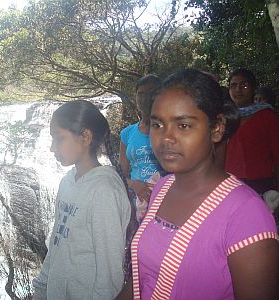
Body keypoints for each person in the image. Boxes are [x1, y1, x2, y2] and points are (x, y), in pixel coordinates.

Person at [116, 69, 279, 300]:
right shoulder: (162, 188)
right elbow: (142, 280)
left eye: (183, 125)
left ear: (217, 128)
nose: (166, 138)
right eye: (157, 125)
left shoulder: (246, 214)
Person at [32, 100, 131, 300]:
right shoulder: (67, 182)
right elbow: (56, 244)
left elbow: (109, 271)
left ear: (85, 136)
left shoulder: (105, 191)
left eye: (59, 138)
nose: (52, 148)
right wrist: (41, 288)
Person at [225, 68, 279, 194]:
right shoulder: (223, 116)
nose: (238, 90)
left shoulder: (267, 116)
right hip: (228, 183)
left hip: (260, 183)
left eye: (243, 85)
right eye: (233, 85)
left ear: (253, 88)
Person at [119, 75, 164, 223]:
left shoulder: (168, 130)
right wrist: (135, 185)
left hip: (165, 198)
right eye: (141, 94)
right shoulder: (127, 134)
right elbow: (121, 174)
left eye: (151, 93)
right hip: (136, 200)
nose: (145, 98)